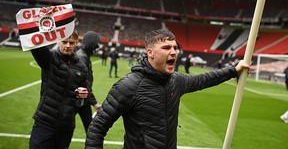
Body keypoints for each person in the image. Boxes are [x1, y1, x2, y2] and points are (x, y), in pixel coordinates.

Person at [85, 28, 250, 149]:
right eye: (166, 48)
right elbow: (97, 127)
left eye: (175, 47)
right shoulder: (129, 85)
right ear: (150, 52)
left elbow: (203, 80)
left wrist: (233, 70)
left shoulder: (175, 81)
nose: (174, 52)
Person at [29, 30, 89, 149]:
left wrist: (84, 97)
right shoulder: (50, 58)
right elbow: (35, 44)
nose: (67, 46)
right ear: (58, 41)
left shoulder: (82, 67)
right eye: (64, 42)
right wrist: (42, 23)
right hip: (45, 124)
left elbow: (82, 104)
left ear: (77, 43)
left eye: (71, 43)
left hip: (66, 128)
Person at [76, 31, 102, 133]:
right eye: (95, 45)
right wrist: (95, 103)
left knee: (90, 129)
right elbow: (84, 83)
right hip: (78, 98)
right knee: (65, 129)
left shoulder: (83, 56)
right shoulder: (82, 57)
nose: (97, 48)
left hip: (83, 98)